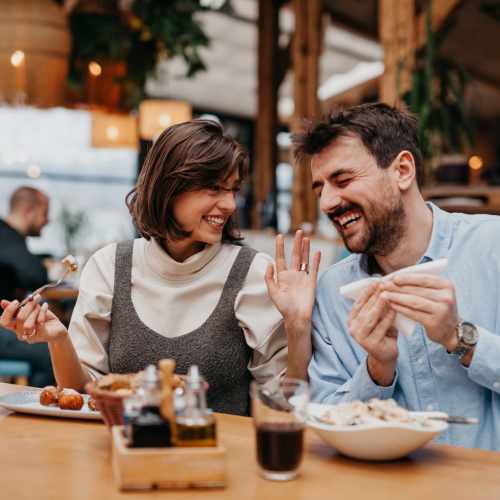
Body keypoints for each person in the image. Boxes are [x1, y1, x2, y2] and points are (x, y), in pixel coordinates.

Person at [0, 120, 319, 416]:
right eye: (214, 189)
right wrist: (59, 340)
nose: (230, 204)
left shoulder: (252, 272)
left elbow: (283, 400)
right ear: (169, 188)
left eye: (233, 189)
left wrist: (298, 327)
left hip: (218, 459)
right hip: (121, 454)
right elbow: (82, 394)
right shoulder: (109, 266)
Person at [277, 102, 500, 450]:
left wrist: (462, 339)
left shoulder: (493, 246)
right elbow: (324, 416)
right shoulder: (331, 291)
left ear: (403, 170)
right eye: (320, 189)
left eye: (343, 180)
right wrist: (377, 368)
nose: (327, 203)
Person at [0, 186, 55, 387]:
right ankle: (36, 411)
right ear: (28, 211)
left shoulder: (9, 240)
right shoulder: (6, 237)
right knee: (53, 352)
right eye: (44, 213)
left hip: (5, 325)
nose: (47, 220)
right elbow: (36, 274)